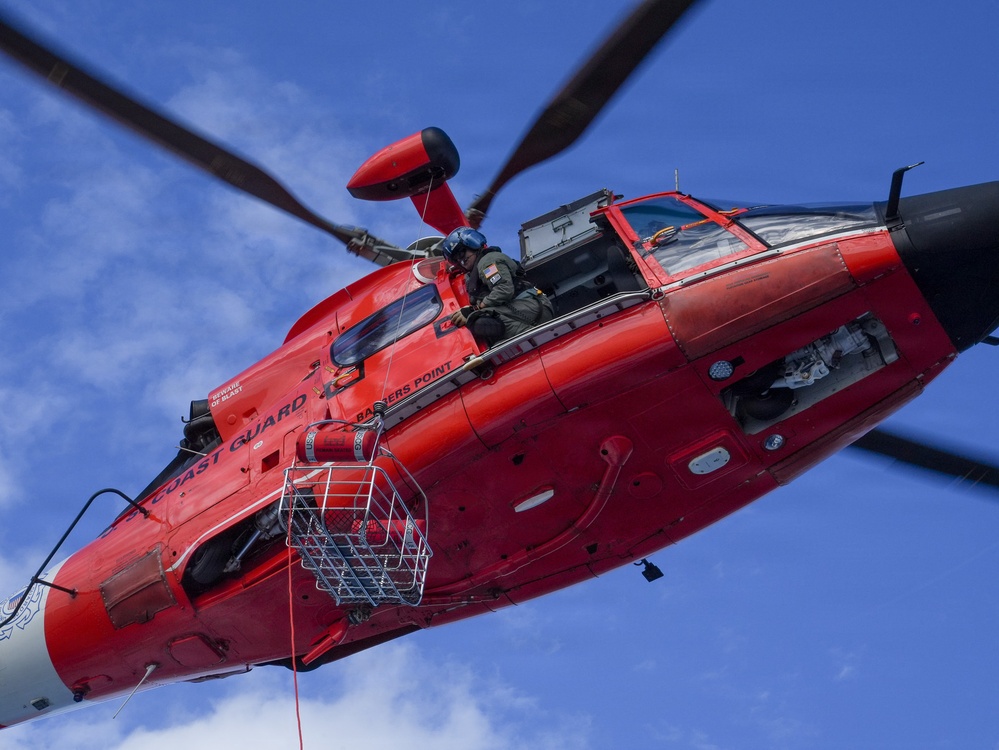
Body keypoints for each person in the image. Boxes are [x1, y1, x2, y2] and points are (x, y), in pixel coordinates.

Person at [442, 227, 554, 347]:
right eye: (457, 259)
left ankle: (532, 336)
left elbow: (503, 290)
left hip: (532, 309)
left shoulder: (488, 262)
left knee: (478, 320)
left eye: (461, 253)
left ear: (472, 243)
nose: (461, 260)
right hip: (525, 309)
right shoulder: (474, 273)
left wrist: (474, 310)